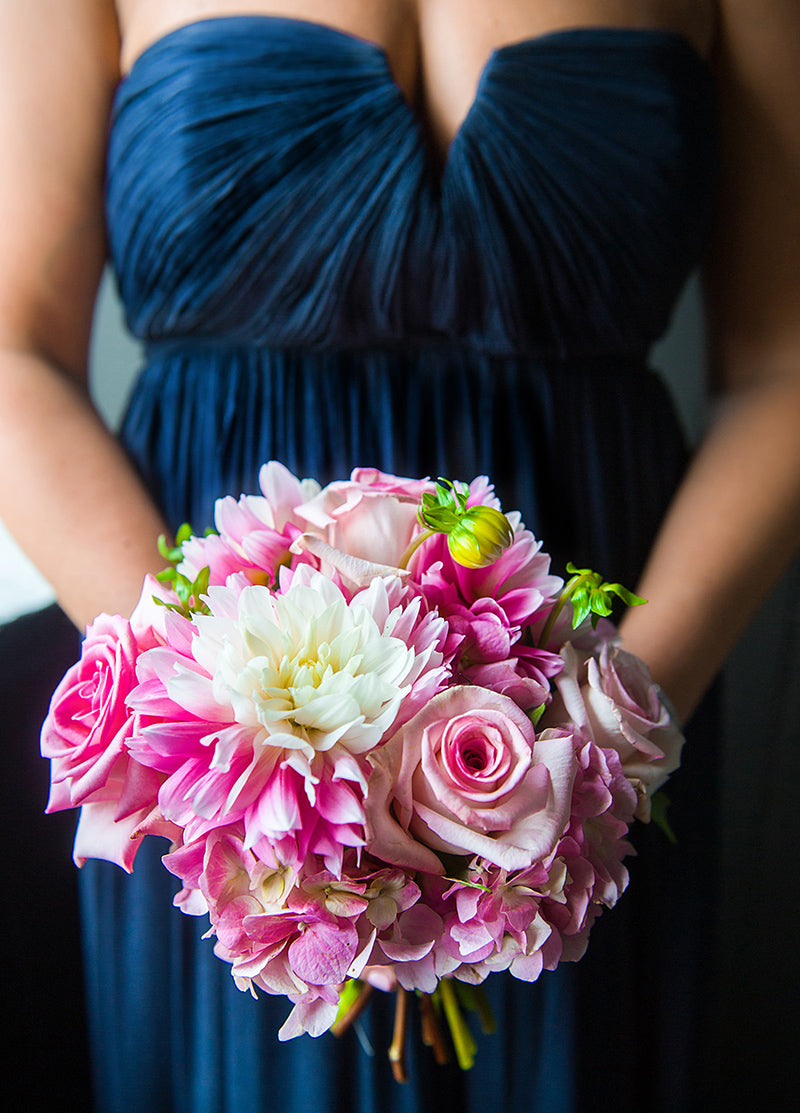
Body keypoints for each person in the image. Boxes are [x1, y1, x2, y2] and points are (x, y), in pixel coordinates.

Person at [1, 1, 799, 1110]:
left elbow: (780, 367)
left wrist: (600, 745)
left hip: (603, 664)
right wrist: (218, 738)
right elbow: (15, 349)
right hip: (211, 719)